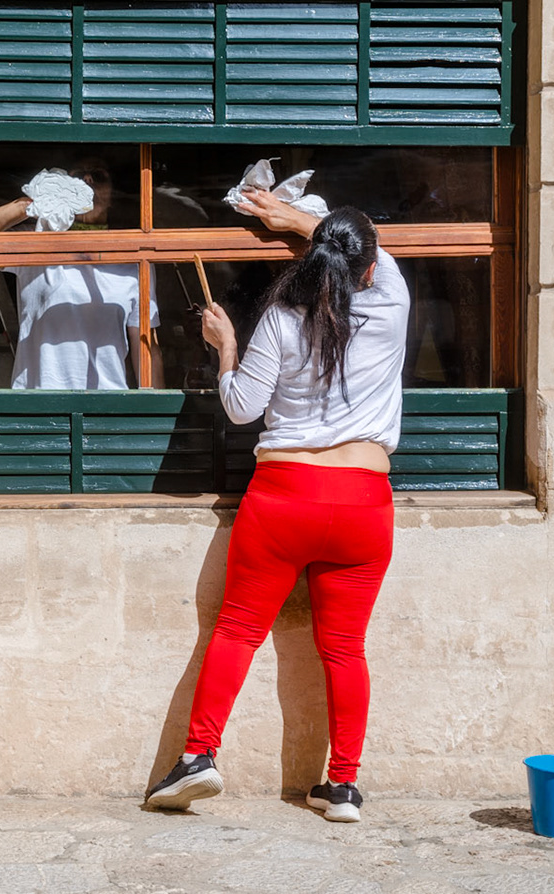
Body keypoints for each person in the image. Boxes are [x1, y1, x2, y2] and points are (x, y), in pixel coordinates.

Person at [144, 188, 408, 824]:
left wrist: (225, 347)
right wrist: (297, 216)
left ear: (314, 259)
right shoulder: (393, 299)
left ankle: (199, 757)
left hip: (283, 497)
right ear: (368, 266)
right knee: (344, 649)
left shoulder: (281, 320)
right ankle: (341, 786)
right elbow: (359, 248)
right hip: (364, 502)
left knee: (236, 629)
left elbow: (241, 409)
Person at [0, 160, 160, 389]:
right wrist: (31, 204)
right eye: (78, 176)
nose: (88, 181)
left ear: (113, 196)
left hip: (106, 403)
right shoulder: (38, 240)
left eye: (98, 176)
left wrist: (157, 417)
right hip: (39, 400)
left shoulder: (133, 259)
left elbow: (146, 346)